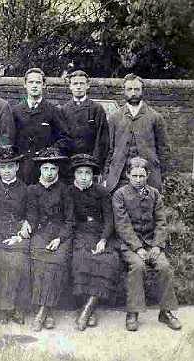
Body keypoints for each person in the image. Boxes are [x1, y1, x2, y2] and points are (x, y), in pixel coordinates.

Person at [112, 157, 181, 331]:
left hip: (152, 242)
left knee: (164, 266)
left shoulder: (154, 194)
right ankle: (133, 312)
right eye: (134, 175)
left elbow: (160, 222)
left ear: (147, 175)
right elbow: (122, 225)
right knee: (137, 266)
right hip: (129, 244)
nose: (138, 179)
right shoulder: (120, 195)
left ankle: (166, 312)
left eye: (141, 176)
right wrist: (138, 248)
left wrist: (157, 246)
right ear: (128, 175)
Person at [69, 154, 120, 331]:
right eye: (80, 172)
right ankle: (86, 307)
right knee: (80, 259)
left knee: (107, 261)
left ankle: (88, 308)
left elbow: (109, 220)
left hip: (100, 233)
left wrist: (104, 239)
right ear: (74, 174)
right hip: (79, 234)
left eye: (88, 173)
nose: (84, 177)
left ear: (93, 175)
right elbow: (68, 220)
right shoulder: (69, 192)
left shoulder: (102, 192)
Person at [26, 147, 74, 332]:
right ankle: (48, 310)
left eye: (53, 169)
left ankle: (43, 312)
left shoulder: (64, 190)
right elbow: (31, 216)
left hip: (62, 235)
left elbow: (70, 221)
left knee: (55, 262)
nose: (49, 172)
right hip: (40, 233)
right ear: (40, 169)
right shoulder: (33, 190)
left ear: (58, 170)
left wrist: (59, 239)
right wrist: (27, 224)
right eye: (46, 168)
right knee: (38, 263)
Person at [0, 145, 31, 325]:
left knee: (19, 262)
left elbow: (31, 213)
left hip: (19, 234)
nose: (6, 171)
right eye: (2, 167)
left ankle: (19, 307)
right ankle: (2, 307)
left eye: (10, 166)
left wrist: (24, 228)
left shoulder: (26, 188)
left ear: (17, 167)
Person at [104, 74, 170, 192]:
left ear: (142, 91)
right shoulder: (115, 118)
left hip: (148, 177)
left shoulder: (155, 117)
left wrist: (161, 175)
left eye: (137, 89)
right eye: (129, 89)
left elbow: (163, 149)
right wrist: (106, 175)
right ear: (123, 91)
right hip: (120, 177)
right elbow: (109, 149)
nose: (133, 93)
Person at [11, 68, 70, 184]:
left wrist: (50, 153)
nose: (34, 86)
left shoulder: (53, 111)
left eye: (38, 82)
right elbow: (9, 138)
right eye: (31, 82)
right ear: (25, 84)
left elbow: (65, 139)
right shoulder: (15, 111)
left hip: (45, 169)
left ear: (44, 85)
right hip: (22, 169)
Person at [61, 70, 109, 169]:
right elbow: (61, 138)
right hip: (69, 162)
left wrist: (96, 163)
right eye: (75, 83)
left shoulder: (96, 108)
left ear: (87, 86)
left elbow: (102, 139)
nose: (78, 87)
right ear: (70, 86)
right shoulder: (63, 110)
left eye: (82, 83)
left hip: (90, 162)